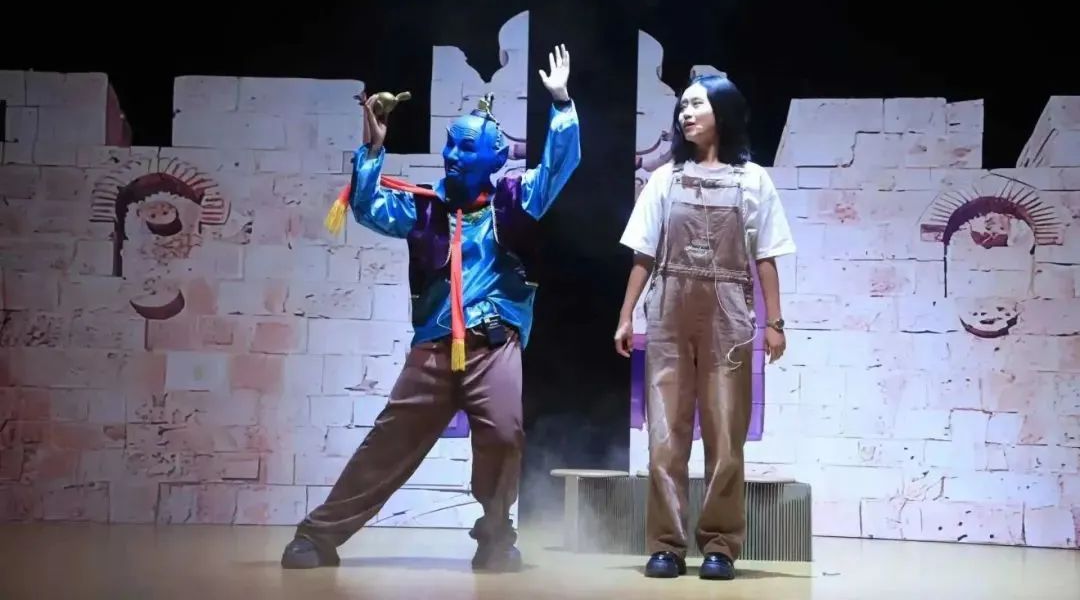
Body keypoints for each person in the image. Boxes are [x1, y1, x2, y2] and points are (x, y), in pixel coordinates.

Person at [282, 45, 580, 572]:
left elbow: (559, 166)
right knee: (390, 440)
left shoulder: (516, 199)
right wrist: (374, 147)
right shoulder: (423, 208)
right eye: (449, 144)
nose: (452, 154)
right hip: (435, 348)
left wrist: (560, 104)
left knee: (505, 433)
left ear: (495, 158)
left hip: (493, 345)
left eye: (466, 147)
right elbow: (368, 207)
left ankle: (496, 537)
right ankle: (319, 535)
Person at [614, 73, 795, 581]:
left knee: (725, 432)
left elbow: (767, 256)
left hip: (729, 316)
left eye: (697, 105)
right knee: (665, 433)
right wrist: (627, 314)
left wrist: (775, 322)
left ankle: (720, 545)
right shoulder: (664, 179)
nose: (686, 114)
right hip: (669, 312)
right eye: (682, 107)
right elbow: (643, 253)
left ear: (723, 111)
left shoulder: (753, 180)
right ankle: (666, 545)